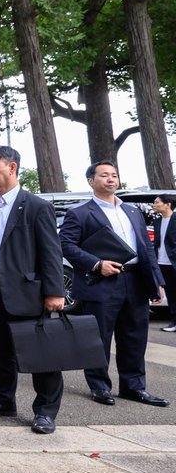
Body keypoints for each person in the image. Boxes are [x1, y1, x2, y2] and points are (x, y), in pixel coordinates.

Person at [0, 146, 67, 434]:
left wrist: (55, 292)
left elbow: (50, 253)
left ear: (12, 168)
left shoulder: (36, 206)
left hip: (27, 292)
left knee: (39, 353)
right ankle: (1, 399)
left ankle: (45, 411)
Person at [60, 161, 168, 407]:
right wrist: (97, 264)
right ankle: (100, 387)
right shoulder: (79, 212)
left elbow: (146, 248)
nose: (111, 179)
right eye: (104, 175)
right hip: (102, 281)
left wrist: (157, 280)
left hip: (135, 281)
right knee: (99, 337)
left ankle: (134, 387)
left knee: (135, 336)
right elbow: (65, 245)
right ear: (91, 181)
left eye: (114, 175)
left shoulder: (131, 211)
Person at [156, 194, 176, 332]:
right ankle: (174, 322)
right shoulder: (157, 222)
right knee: (171, 294)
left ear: (167, 204)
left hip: (174, 262)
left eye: (157, 202)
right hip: (162, 263)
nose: (154, 205)